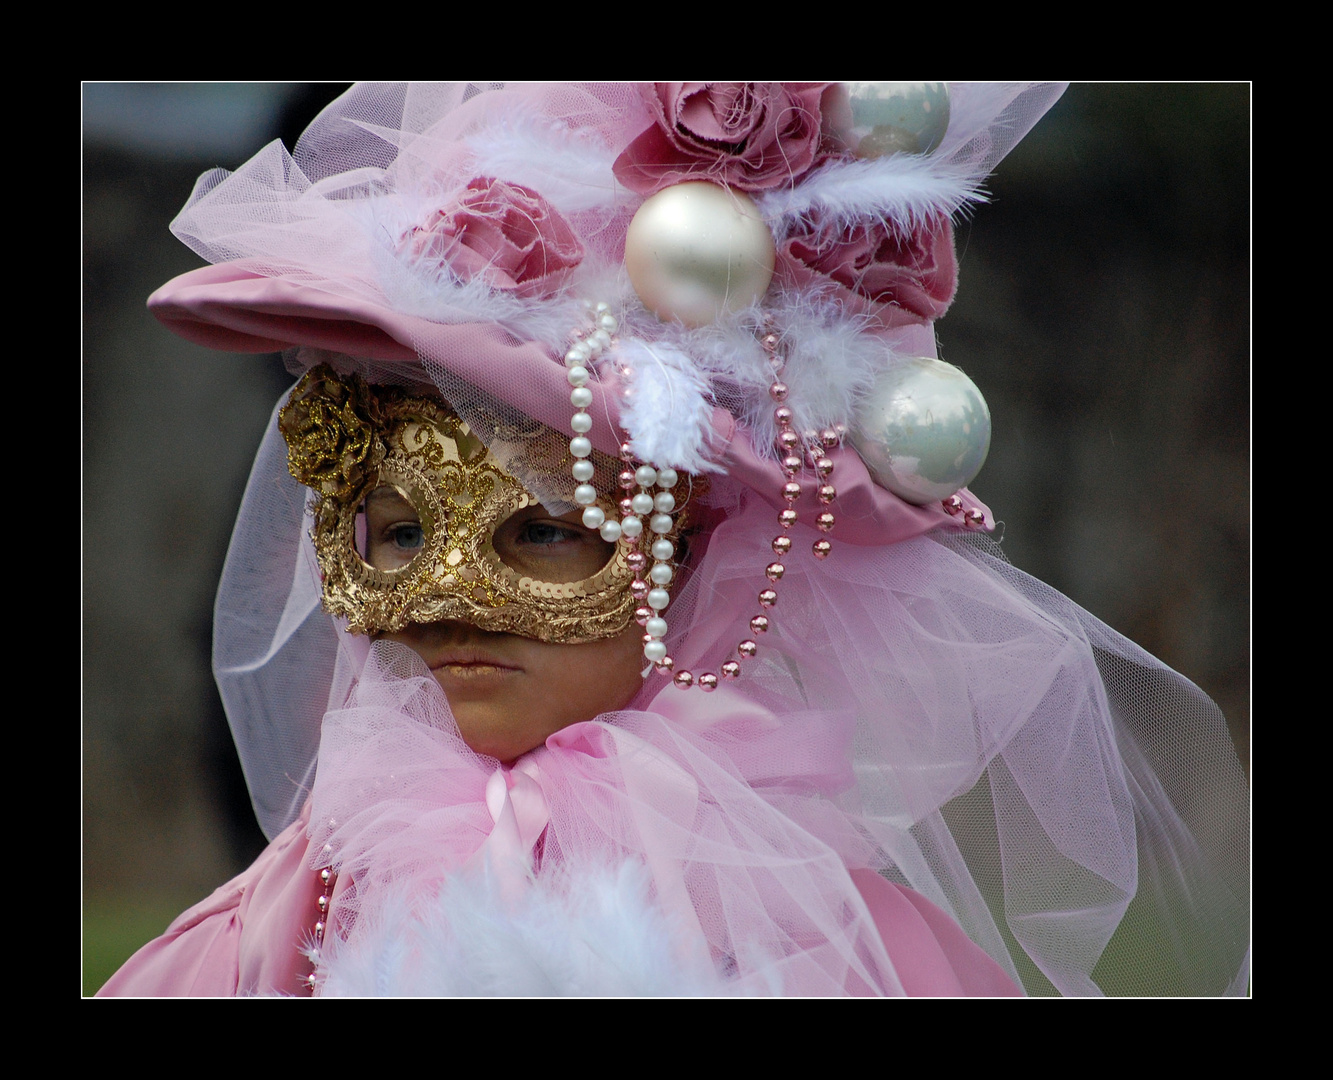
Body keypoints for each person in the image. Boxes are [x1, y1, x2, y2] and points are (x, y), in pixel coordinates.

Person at [98, 82, 1249, 996]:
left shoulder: (842, 956)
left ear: (705, 549)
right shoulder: (268, 937)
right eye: (397, 531)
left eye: (549, 531)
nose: (448, 598)